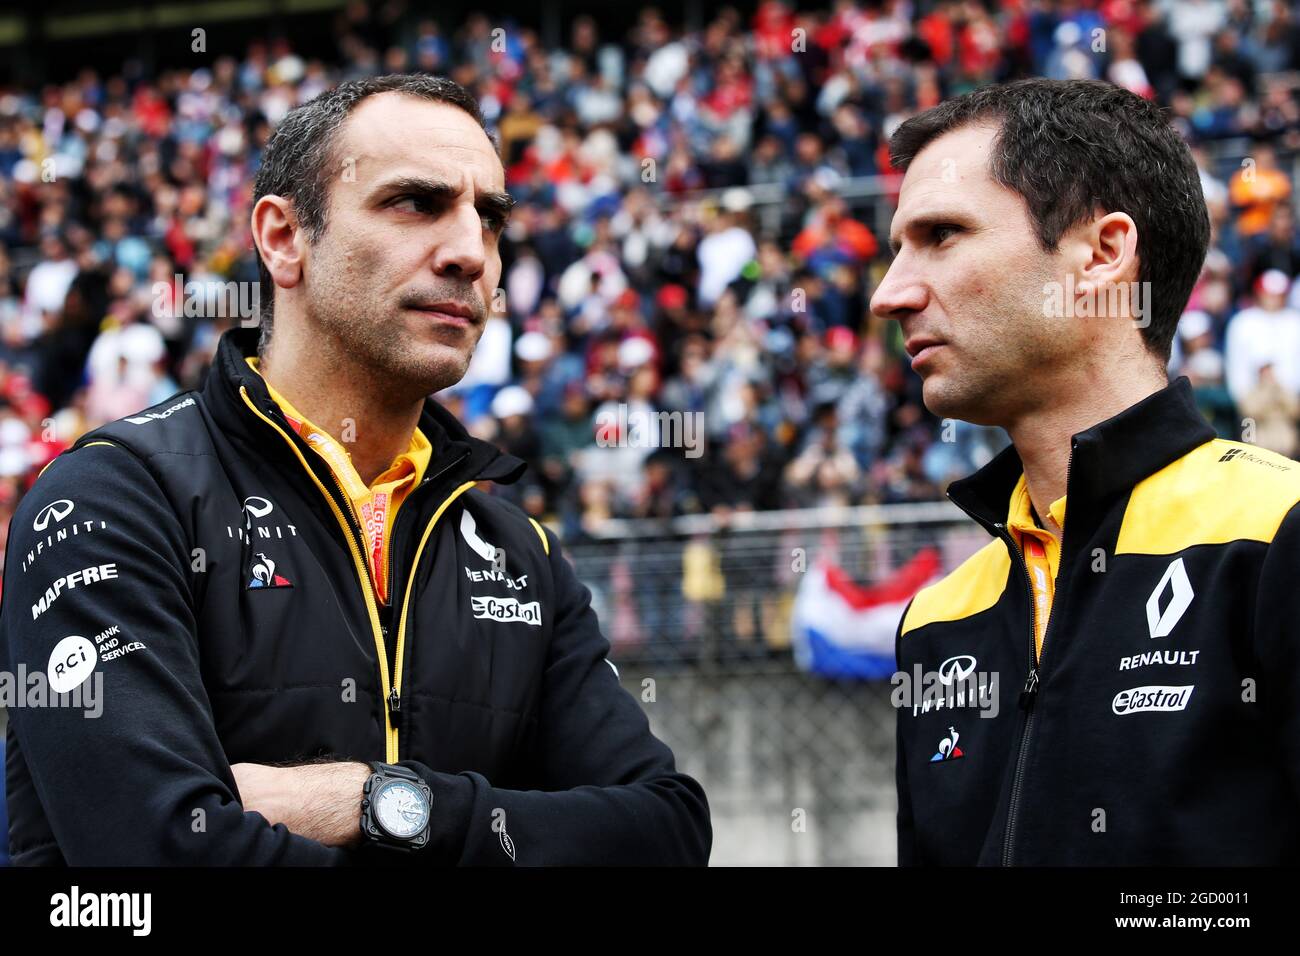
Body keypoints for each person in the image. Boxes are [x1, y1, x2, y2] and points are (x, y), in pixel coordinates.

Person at [2, 74, 711, 866]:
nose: (470, 254)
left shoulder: (519, 555)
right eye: (415, 203)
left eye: (491, 218)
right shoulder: (114, 499)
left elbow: (666, 834)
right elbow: (158, 854)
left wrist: (377, 802)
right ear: (282, 239)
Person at [872, 78, 1300, 865]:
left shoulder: (1277, 533)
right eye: (897, 246)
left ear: (1103, 255)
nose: (889, 293)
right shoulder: (937, 617)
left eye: (942, 235)